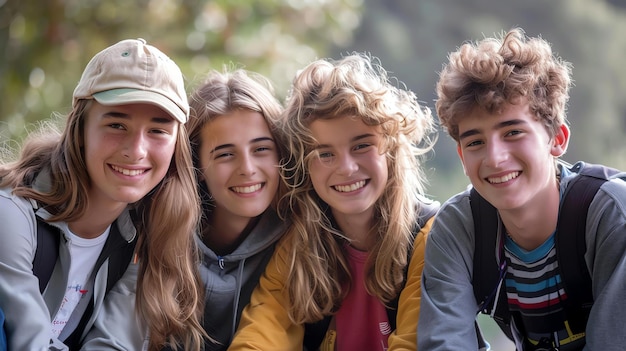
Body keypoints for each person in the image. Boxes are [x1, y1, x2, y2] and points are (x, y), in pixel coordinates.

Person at [418, 28, 626, 350]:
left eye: (513, 132)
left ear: (556, 138)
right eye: (475, 141)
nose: (495, 158)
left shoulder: (611, 213)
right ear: (462, 156)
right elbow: (445, 342)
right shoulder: (459, 227)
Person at [0, 38, 206, 351]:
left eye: (157, 130)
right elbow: (26, 342)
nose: (136, 150)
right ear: (80, 130)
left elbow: (112, 344)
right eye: (117, 124)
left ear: (176, 143)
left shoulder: (147, 236)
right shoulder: (11, 213)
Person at [228, 53, 439, 351]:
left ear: (391, 148)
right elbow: (262, 332)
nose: (347, 168)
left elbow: (418, 342)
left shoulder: (430, 237)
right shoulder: (300, 246)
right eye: (325, 154)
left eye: (362, 145)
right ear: (304, 166)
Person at [181, 68, 288, 350]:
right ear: (198, 165)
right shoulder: (159, 231)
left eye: (261, 149)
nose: (248, 169)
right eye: (226, 154)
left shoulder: (298, 241)